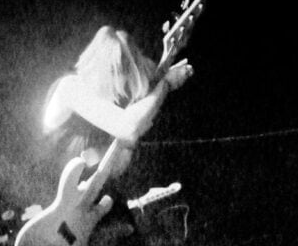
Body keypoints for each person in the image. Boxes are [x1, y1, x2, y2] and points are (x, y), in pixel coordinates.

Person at [42, 25, 193, 185]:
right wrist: (165, 84)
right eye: (117, 78)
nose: (119, 91)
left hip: (86, 194)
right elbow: (128, 128)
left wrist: (170, 57)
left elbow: (115, 166)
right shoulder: (70, 87)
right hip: (46, 191)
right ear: (104, 68)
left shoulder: (105, 109)